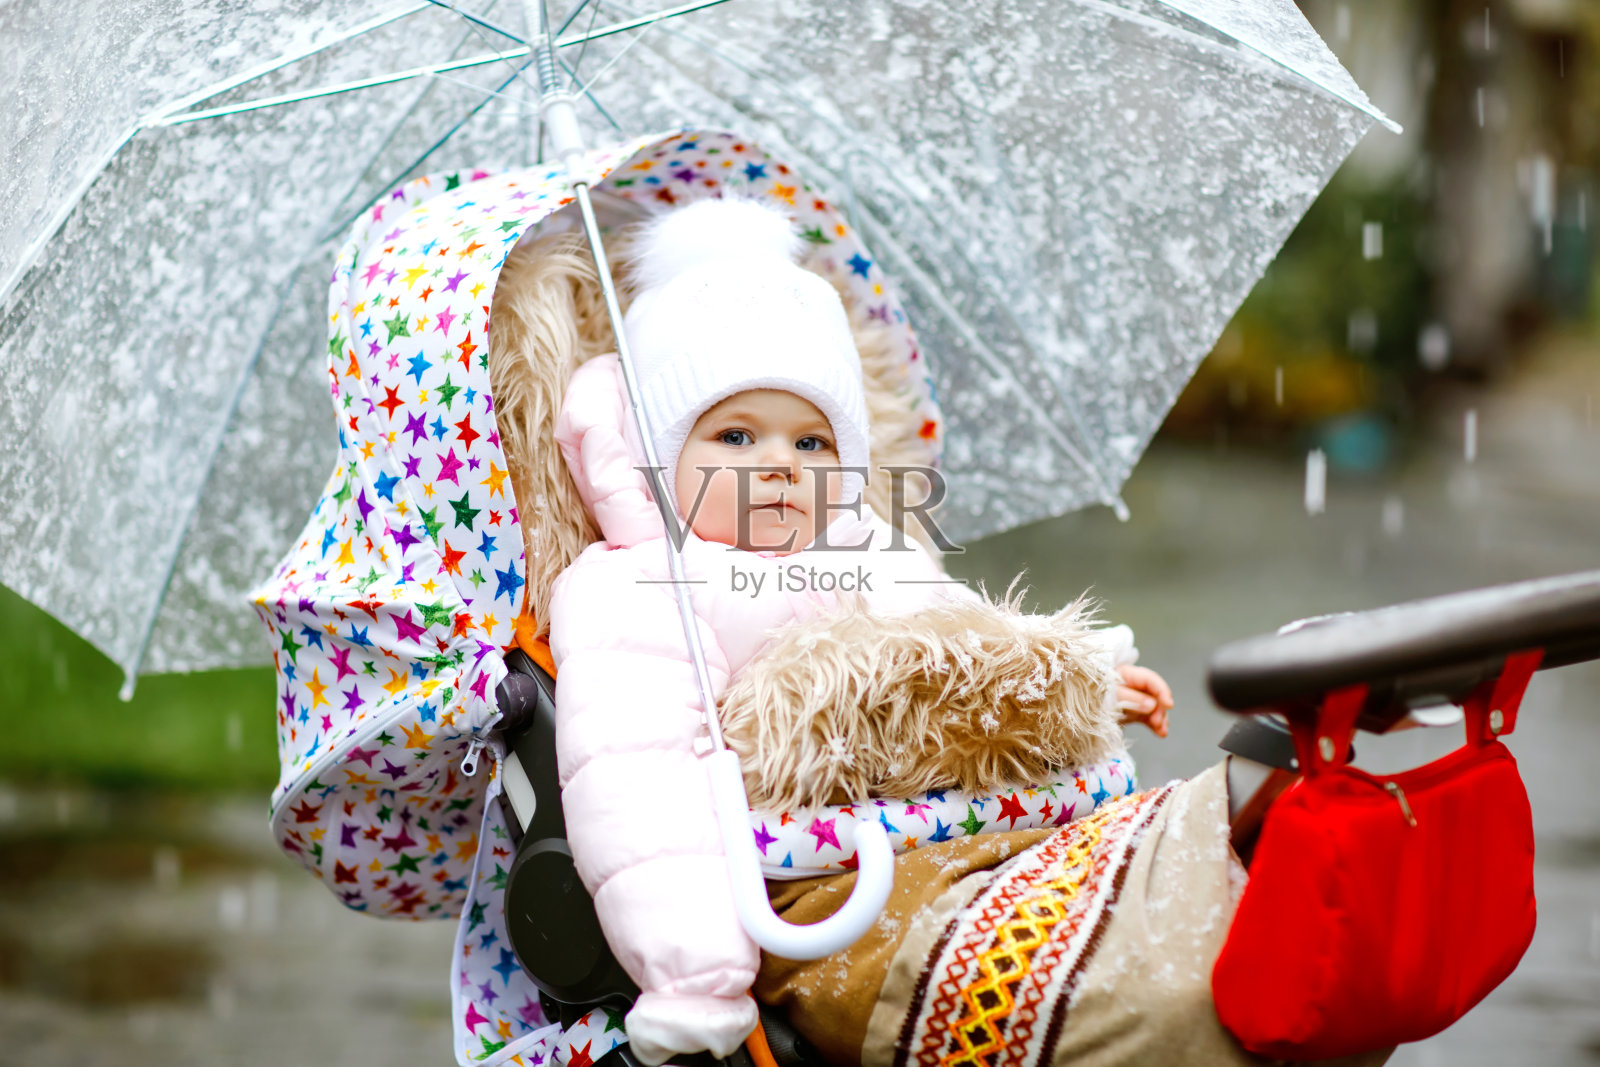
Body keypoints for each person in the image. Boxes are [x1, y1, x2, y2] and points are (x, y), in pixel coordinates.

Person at [528, 196, 1174, 1066]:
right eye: (735, 435)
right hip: (809, 898)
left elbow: (966, 650)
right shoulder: (640, 588)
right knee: (1017, 999)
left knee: (1107, 929)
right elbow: (641, 793)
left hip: (954, 839)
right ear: (658, 455)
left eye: (812, 443)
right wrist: (695, 971)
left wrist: (1079, 684)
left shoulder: (870, 548)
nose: (777, 466)